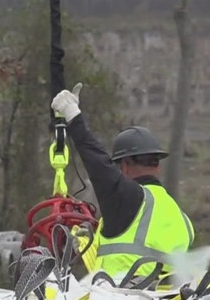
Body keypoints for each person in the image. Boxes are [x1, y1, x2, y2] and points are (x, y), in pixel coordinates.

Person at [50, 83, 194, 281]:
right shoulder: (181, 218)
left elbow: (98, 163)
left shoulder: (128, 198)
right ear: (157, 166)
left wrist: (73, 116)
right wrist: (89, 245)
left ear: (124, 166)